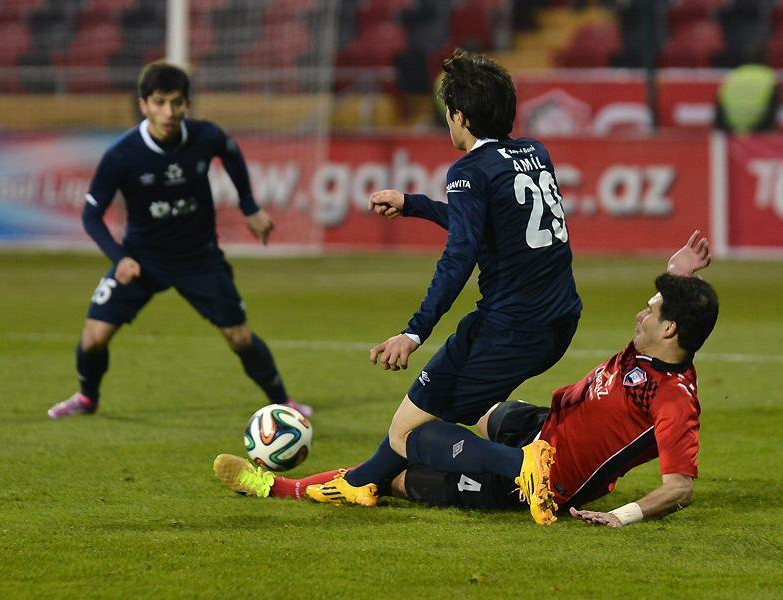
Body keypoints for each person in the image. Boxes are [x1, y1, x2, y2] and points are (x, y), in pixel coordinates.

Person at [213, 231, 718, 528]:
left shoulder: (674, 401)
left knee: (406, 456)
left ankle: (277, 487)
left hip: (551, 478)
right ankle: (516, 456)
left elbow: (679, 488)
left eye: (652, 312)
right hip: (541, 427)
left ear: (669, 330)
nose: (640, 314)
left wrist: (620, 516)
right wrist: (680, 274)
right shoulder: (655, 349)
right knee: (459, 405)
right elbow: (673, 314)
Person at [306, 48, 583, 523]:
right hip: (559, 321)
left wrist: (414, 332)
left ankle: (522, 464)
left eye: (449, 112)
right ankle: (360, 483)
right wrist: (414, 204)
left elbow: (460, 255)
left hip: (508, 328)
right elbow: (487, 222)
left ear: (460, 116)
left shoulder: (469, 172)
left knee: (410, 433)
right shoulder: (535, 152)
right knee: (431, 415)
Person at [47, 61, 312, 419]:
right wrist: (119, 258)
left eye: (176, 103)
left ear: (187, 103)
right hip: (142, 260)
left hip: (199, 259)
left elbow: (231, 153)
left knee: (238, 336)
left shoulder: (205, 136)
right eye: (159, 102)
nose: (168, 112)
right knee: (93, 337)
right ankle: (86, 397)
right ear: (144, 105)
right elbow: (91, 215)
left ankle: (283, 402)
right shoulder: (122, 155)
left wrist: (249, 206)